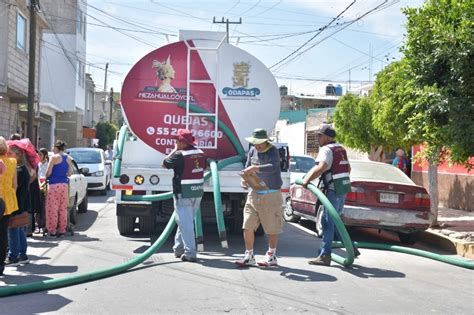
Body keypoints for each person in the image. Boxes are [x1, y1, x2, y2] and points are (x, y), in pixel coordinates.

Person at [302, 124, 359, 266]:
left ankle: (325, 255)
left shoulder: (326, 150)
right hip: (342, 189)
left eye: (320, 136)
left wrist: (306, 180)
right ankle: (351, 247)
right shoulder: (340, 148)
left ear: (327, 137)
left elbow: (321, 167)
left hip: (333, 191)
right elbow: (348, 168)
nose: (317, 139)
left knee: (328, 222)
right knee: (335, 221)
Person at [235, 128, 284, 267]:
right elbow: (247, 167)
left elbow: (273, 167)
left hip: (271, 194)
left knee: (272, 228)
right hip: (254, 193)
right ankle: (249, 255)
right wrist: (244, 179)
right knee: (247, 225)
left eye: (259, 143)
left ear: (265, 141)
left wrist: (255, 168)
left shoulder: (273, 150)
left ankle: (271, 255)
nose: (257, 146)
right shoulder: (252, 151)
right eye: (254, 143)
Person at [162, 129, 205, 262]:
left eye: (176, 141)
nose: (175, 143)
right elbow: (206, 167)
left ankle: (190, 252)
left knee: (185, 223)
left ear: (181, 142)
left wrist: (174, 150)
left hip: (183, 193)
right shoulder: (200, 153)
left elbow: (164, 164)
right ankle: (178, 248)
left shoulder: (179, 155)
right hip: (197, 191)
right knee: (184, 221)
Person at [6, 145, 32, 266]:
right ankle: (22, 254)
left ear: (18, 155)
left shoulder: (19, 170)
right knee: (20, 228)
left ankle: (13, 256)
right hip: (22, 203)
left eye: (10, 153)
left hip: (17, 203)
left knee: (13, 229)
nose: (8, 155)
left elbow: (13, 188)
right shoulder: (23, 169)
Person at [45, 140, 73, 237]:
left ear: (56, 148)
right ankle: (62, 230)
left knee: (52, 208)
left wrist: (46, 177)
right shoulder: (68, 158)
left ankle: (52, 230)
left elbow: (48, 172)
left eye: (53, 147)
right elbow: (70, 173)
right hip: (64, 185)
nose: (52, 149)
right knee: (63, 208)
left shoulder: (53, 157)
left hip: (54, 185)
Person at [0, 137, 20, 274]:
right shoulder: (12, 162)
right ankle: (1, 264)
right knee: (3, 233)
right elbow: (15, 185)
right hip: (8, 200)